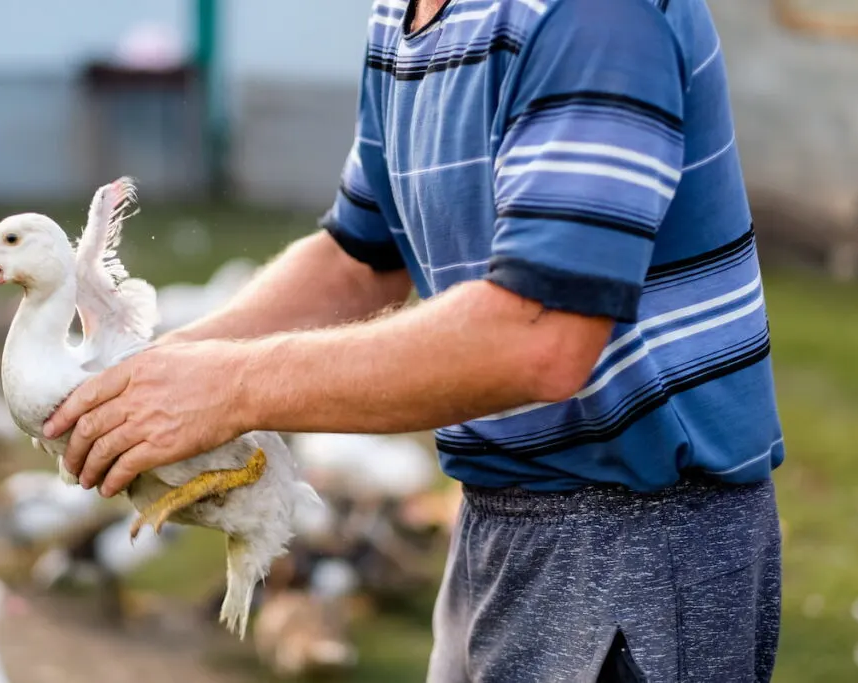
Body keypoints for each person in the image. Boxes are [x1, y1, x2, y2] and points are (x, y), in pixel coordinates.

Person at [43, 0, 785, 679]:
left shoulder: (592, 14)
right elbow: (358, 259)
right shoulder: (403, 14)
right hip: (495, 523)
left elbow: (544, 333)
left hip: (636, 544)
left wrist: (232, 387)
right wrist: (152, 373)